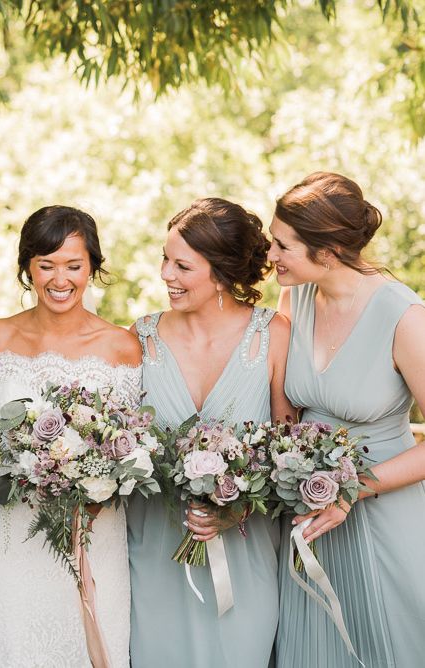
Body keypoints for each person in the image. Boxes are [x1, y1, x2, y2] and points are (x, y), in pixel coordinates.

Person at [127, 198, 295, 667]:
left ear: (220, 270)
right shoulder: (140, 338)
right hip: (156, 554)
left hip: (245, 558)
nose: (166, 274)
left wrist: (235, 508)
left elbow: (288, 451)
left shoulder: (272, 334)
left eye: (182, 265)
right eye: (165, 258)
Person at [0, 205, 142, 667]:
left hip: (94, 532)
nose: (59, 279)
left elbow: (134, 444)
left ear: (92, 266)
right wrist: (25, 461)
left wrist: (93, 478)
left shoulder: (120, 347)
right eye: (46, 265)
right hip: (13, 535)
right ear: (28, 266)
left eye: (74, 265)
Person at [269, 172, 425, 668]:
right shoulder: (295, 296)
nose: (270, 256)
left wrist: (350, 488)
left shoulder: (404, 317)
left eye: (282, 246)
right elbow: (284, 406)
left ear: (329, 249)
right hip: (307, 513)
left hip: (384, 511)